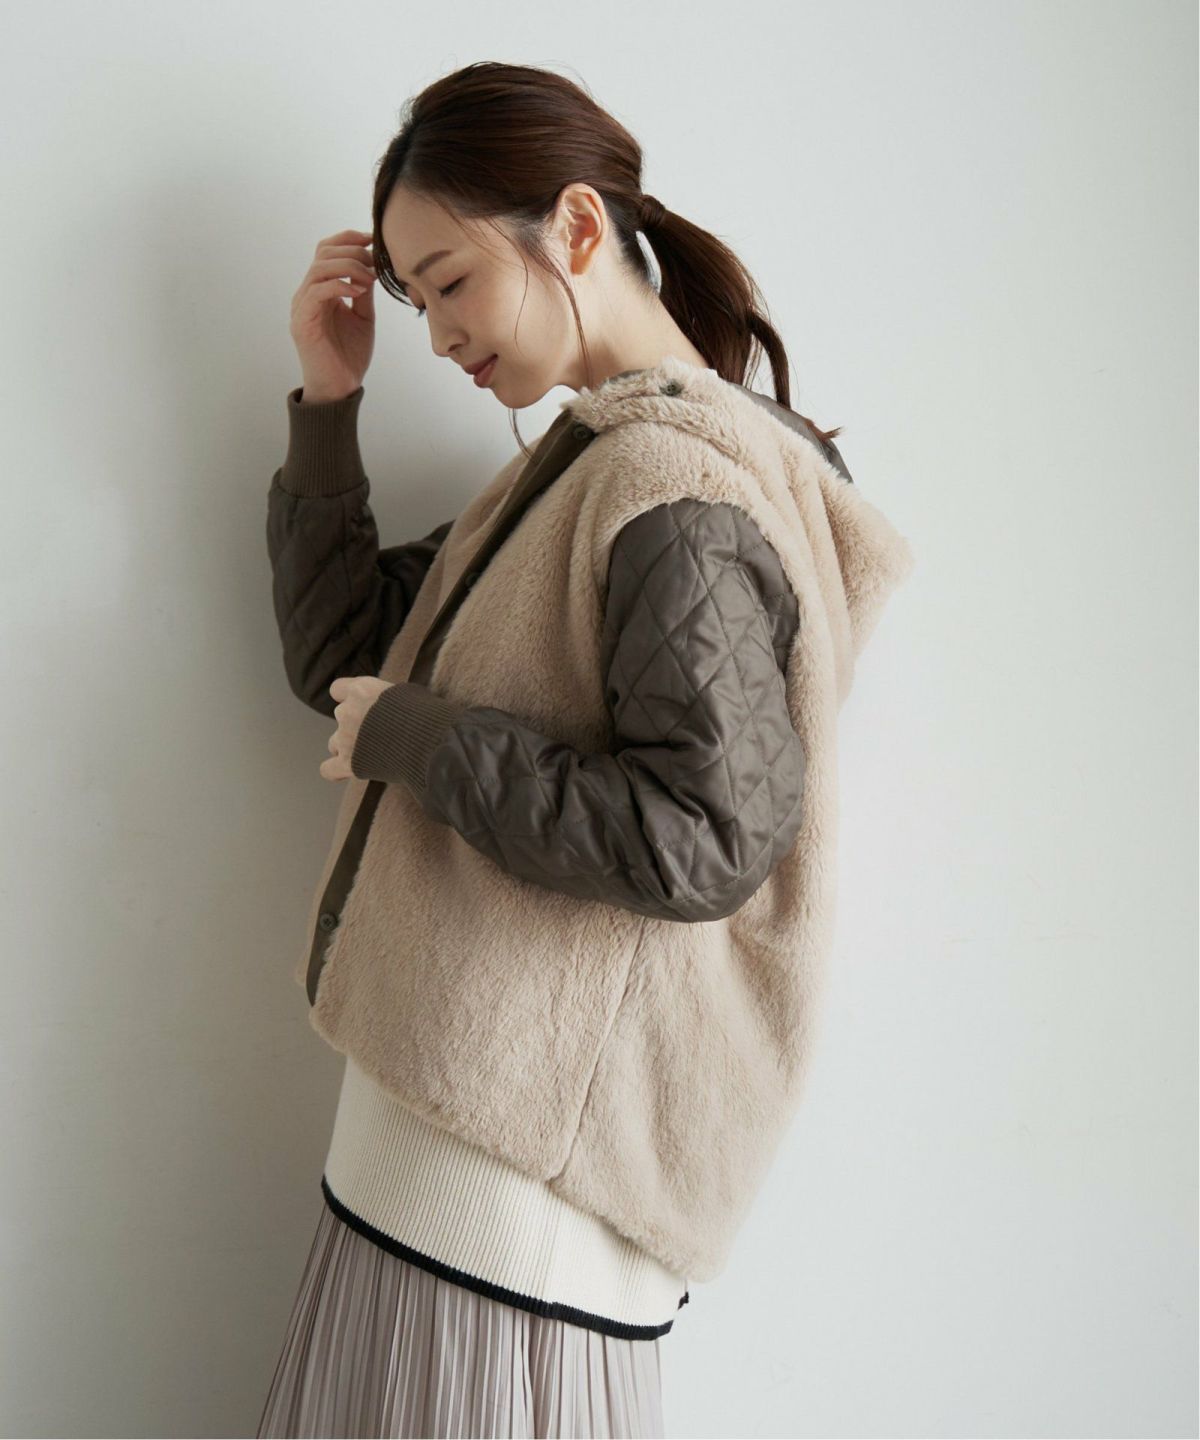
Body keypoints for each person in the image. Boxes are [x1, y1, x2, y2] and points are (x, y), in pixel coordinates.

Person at [257, 60, 914, 1440]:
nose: (439, 332)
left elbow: (703, 838)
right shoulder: (586, 466)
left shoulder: (668, 485)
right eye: (416, 299)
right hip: (460, 1122)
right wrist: (328, 399)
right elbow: (348, 659)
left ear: (571, 226)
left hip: (513, 1175)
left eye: (449, 281)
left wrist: (417, 737)